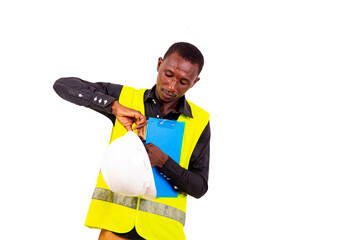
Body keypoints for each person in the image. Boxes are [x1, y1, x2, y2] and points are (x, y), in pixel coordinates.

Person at [53, 42, 211, 240]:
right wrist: (114, 107)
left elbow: (199, 187)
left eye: (183, 82)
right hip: (115, 227)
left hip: (163, 233)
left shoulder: (199, 121)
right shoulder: (126, 98)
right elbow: (63, 85)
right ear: (159, 64)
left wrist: (164, 162)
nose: (171, 86)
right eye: (168, 74)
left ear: (195, 82)